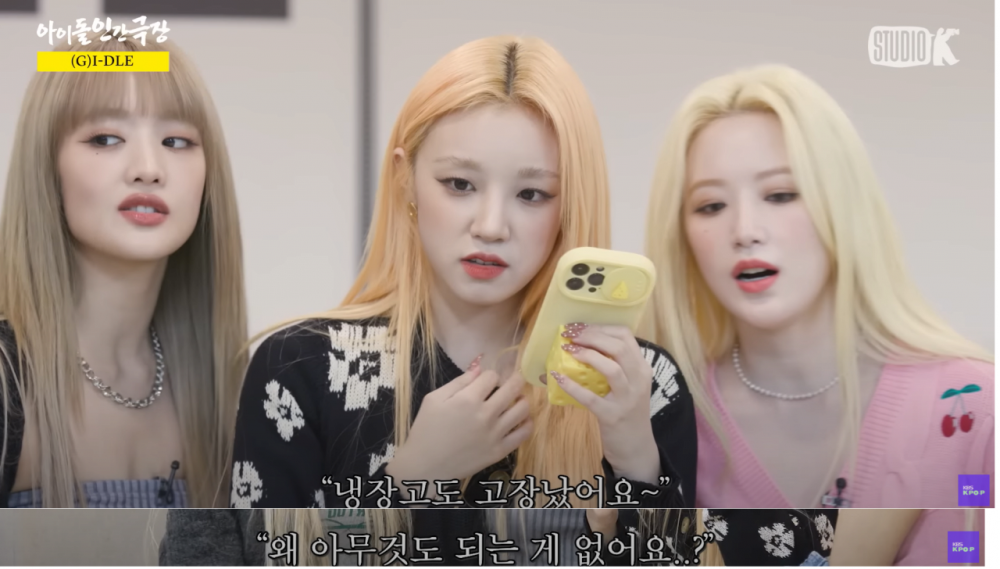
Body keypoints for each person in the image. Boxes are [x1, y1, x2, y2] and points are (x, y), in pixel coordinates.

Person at [229, 34, 698, 560]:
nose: (491, 226)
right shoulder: (298, 369)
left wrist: (637, 464)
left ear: (570, 203)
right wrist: (412, 480)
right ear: (405, 178)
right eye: (459, 184)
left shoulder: (643, 384)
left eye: (531, 194)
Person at [640, 63, 992, 562]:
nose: (745, 230)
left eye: (781, 195)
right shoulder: (666, 426)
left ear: (843, 206)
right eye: (711, 206)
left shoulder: (975, 411)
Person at [0, 32, 248, 508]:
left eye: (176, 141)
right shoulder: (8, 382)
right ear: (46, 166)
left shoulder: (233, 395)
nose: (149, 168)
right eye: (106, 138)